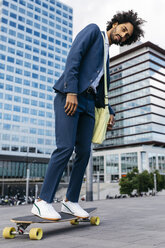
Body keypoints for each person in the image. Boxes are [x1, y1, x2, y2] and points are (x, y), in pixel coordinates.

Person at [31, 10, 145, 220]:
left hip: (89, 104)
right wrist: (71, 91)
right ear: (116, 23)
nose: (123, 36)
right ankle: (42, 201)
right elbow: (74, 57)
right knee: (65, 147)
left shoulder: (106, 56)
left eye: (127, 36)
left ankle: (70, 201)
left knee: (84, 152)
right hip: (71, 96)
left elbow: (102, 87)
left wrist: (109, 111)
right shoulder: (94, 32)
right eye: (123, 30)